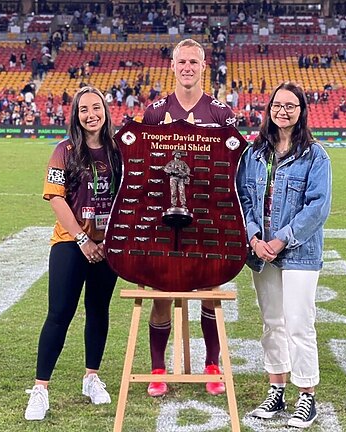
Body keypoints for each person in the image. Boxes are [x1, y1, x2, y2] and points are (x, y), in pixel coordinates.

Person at [142, 38, 236, 398]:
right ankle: (157, 369)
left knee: (210, 291)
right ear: (172, 65)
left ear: (203, 66)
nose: (187, 68)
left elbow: (233, 168)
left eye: (194, 62)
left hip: (207, 218)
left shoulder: (221, 114)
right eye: (182, 62)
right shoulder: (154, 113)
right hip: (164, 220)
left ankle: (212, 364)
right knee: (161, 294)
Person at [237, 81, 332, 429]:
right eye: (278, 104)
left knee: (299, 324)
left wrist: (281, 239)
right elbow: (245, 199)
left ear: (301, 111)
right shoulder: (254, 153)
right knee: (272, 323)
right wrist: (254, 237)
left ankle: (307, 396)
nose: (283, 110)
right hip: (261, 252)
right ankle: (276, 390)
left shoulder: (315, 155)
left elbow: (318, 206)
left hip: (299, 253)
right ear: (270, 109)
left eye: (291, 105)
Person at [24, 86, 122, 421]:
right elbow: (56, 198)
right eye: (84, 109)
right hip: (71, 242)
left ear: (106, 112)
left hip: (107, 245)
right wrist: (82, 239)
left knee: (98, 311)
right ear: (76, 115)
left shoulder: (119, 151)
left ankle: (91, 378)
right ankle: (40, 389)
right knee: (60, 312)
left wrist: (110, 240)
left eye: (97, 108)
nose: (91, 114)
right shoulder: (64, 151)